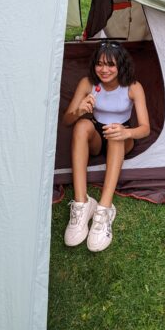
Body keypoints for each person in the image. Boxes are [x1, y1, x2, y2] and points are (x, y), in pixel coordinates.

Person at [62, 41, 150, 252]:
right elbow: (67, 120)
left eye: (110, 65)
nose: (104, 69)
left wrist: (127, 132)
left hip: (122, 138)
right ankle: (82, 203)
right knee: (81, 126)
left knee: (115, 132)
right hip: (96, 137)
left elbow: (145, 128)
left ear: (121, 66)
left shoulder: (133, 87)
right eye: (100, 64)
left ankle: (104, 208)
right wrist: (79, 111)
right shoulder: (87, 83)